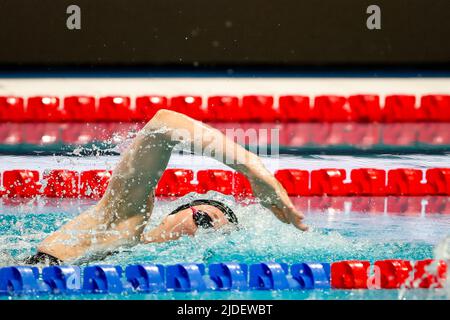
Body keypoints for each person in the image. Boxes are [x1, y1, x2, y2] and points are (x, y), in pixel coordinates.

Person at [24, 109, 308, 265]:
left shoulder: (154, 266)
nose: (202, 228)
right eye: (203, 218)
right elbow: (164, 124)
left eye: (210, 231)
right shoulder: (125, 222)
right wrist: (253, 168)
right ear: (173, 213)